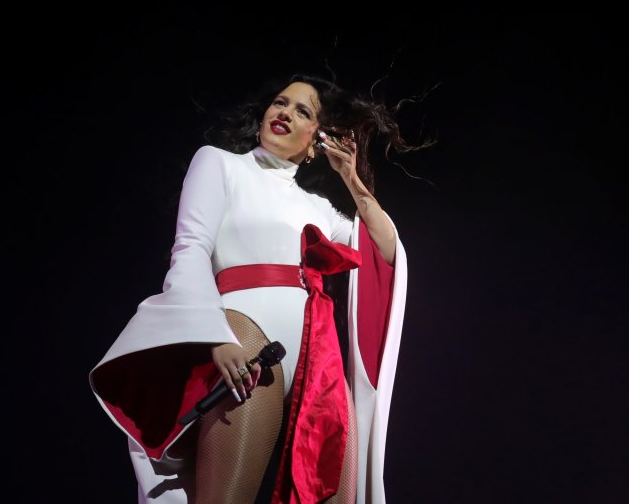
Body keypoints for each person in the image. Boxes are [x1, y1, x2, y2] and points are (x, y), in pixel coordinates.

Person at [89, 72, 432, 504]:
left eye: (302, 111)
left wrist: (352, 179)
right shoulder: (220, 163)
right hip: (246, 338)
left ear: (315, 142)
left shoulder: (320, 208)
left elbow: (385, 251)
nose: (285, 112)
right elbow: (191, 248)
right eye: (280, 103)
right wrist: (214, 335)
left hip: (318, 360)